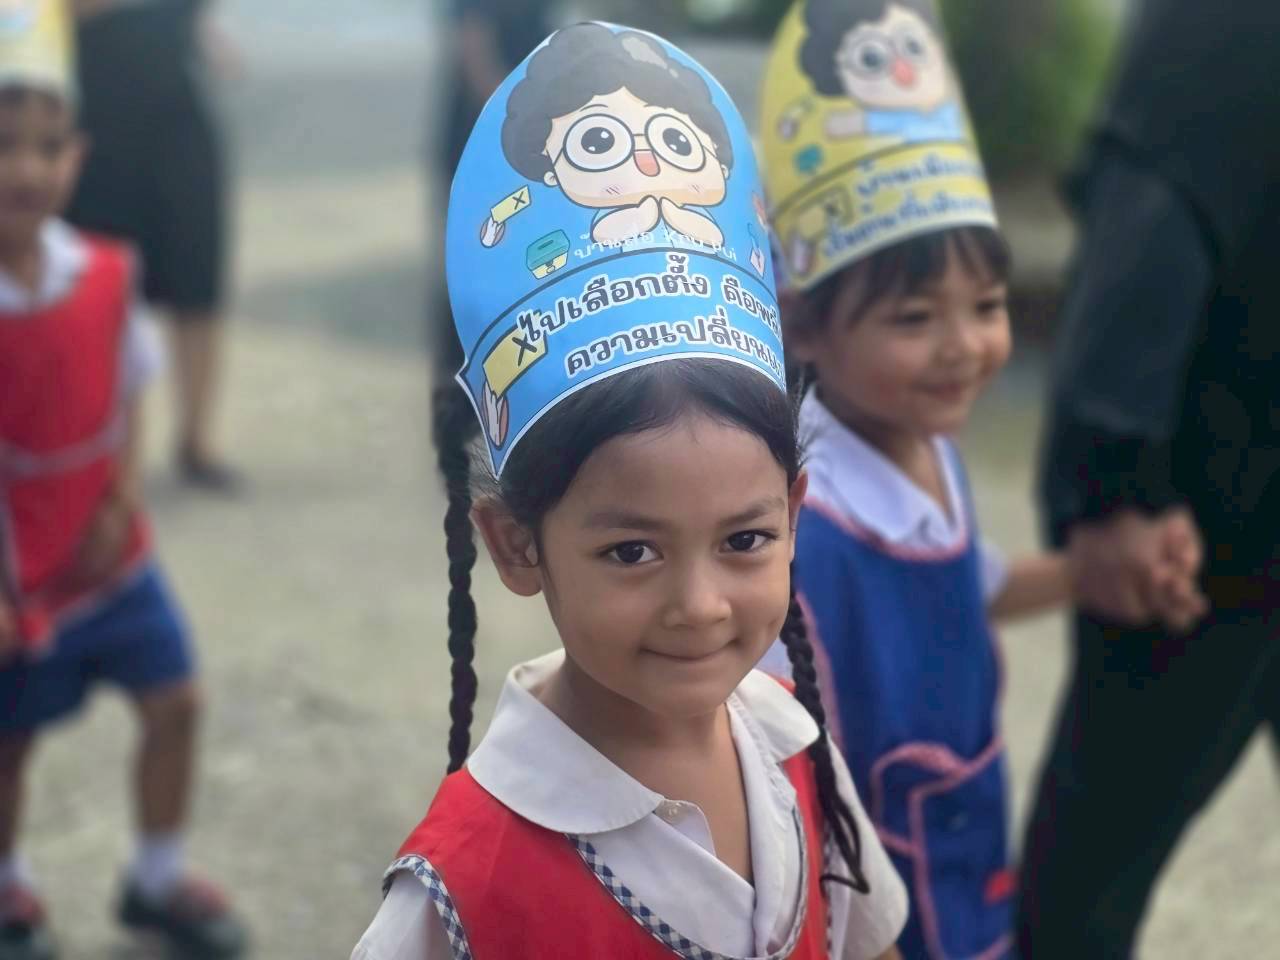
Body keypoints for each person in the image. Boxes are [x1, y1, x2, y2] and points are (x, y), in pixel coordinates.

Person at [353, 22, 909, 959]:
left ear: (794, 511)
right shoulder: (468, 887)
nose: (699, 606)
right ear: (517, 544)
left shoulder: (795, 751)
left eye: (744, 540)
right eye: (632, 551)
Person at [757, 3, 1196, 956]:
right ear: (805, 325)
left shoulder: (928, 443)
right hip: (865, 898)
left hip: (963, 855)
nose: (965, 346)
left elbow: (965, 583)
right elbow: (761, 750)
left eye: (987, 305)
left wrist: (1087, 571)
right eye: (915, 318)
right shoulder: (801, 524)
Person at [1016, 1, 1279, 956]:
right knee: (1087, 889)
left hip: (1230, 510)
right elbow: (1158, 199)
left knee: (1085, 883)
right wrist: (1115, 481)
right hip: (1211, 525)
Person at [0, 4, 247, 957]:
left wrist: (122, 494)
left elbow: (127, 385)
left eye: (47, 145)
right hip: (19, 572)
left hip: (111, 554)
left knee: (175, 703)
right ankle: (10, 890)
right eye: (4, 145)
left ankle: (155, 876)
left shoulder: (103, 272)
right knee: (9, 745)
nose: (26, 168)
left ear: (78, 154)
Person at [65, 0, 238, 491]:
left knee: (197, 275)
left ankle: (196, 438)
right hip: (98, 112)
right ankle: (107, 443)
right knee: (100, 284)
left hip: (176, 113)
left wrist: (204, 32)